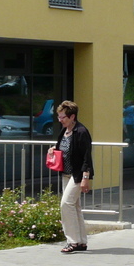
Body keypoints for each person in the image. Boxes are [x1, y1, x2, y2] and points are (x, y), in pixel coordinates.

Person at [49, 100, 94, 253]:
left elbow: (87, 157)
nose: (60, 120)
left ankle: (72, 242)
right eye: (59, 117)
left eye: (63, 117)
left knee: (65, 204)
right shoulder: (65, 131)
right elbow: (65, 147)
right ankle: (81, 242)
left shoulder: (81, 131)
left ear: (72, 116)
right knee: (75, 207)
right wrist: (54, 148)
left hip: (78, 175)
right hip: (66, 174)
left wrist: (85, 178)